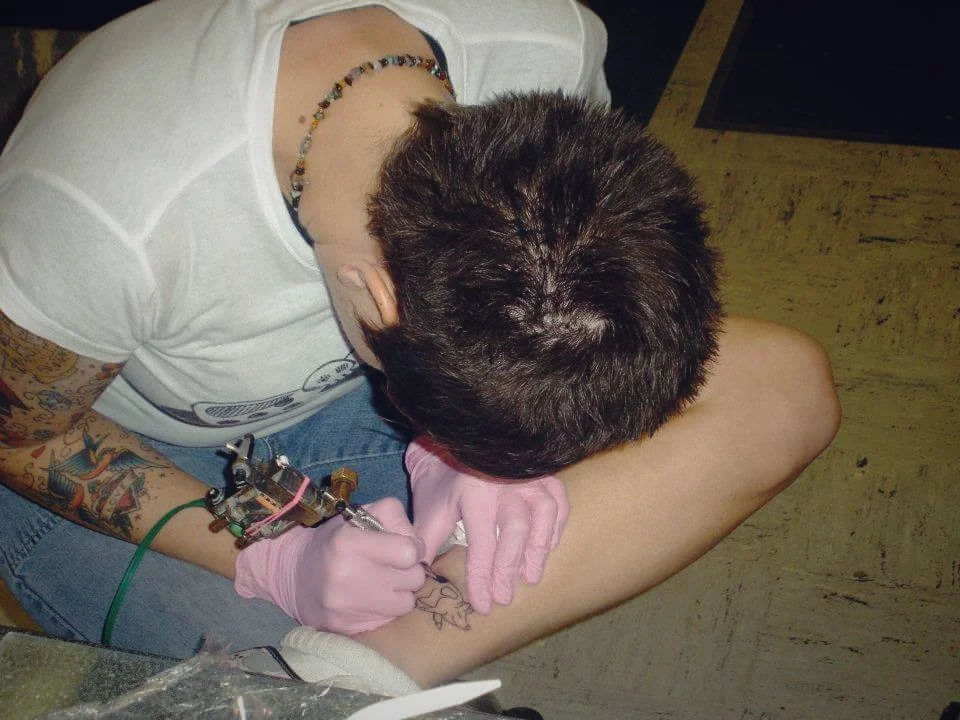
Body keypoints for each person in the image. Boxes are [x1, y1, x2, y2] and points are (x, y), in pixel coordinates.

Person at [0, 0, 841, 690]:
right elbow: (22, 439)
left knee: (781, 389)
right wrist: (266, 556)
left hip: (348, 405)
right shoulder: (103, 212)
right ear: (378, 295)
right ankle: (339, 680)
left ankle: (365, 668)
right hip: (108, 449)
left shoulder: (546, 46)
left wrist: (471, 454)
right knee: (257, 693)